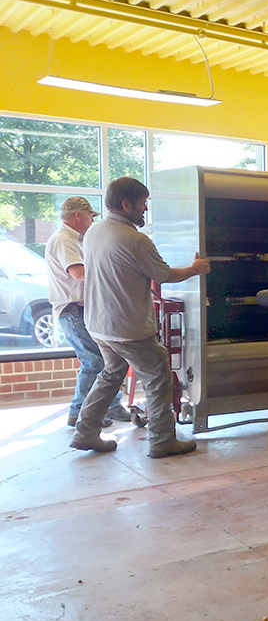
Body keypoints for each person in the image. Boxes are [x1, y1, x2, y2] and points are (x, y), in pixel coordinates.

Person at [70, 177, 211, 458]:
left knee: (110, 374)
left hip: (99, 323)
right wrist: (196, 268)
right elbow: (164, 275)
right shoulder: (135, 239)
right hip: (127, 326)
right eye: (142, 203)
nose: (145, 209)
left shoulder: (95, 232)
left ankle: (85, 432)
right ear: (125, 204)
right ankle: (162, 441)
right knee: (158, 376)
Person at [45, 197, 132, 428]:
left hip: (82, 308)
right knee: (93, 360)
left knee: (105, 359)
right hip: (73, 310)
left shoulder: (72, 239)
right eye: (91, 216)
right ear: (78, 216)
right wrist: (110, 272)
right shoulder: (64, 240)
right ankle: (79, 413)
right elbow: (77, 272)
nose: (92, 221)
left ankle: (109, 406)